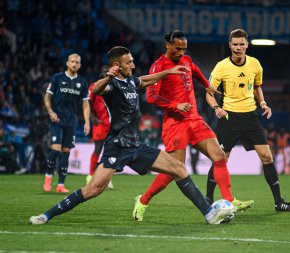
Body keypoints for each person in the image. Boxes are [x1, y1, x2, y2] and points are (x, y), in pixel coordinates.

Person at [29, 46, 235, 225]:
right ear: (117, 65)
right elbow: (95, 89)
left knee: (179, 169)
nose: (133, 65)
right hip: (116, 147)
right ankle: (47, 215)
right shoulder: (111, 85)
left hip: (135, 146)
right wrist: (109, 76)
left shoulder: (130, 82)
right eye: (129, 62)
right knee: (92, 189)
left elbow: (145, 80)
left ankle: (209, 215)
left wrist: (169, 71)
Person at [133, 30, 254, 222]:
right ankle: (144, 200)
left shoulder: (187, 60)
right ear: (168, 45)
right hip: (175, 123)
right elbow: (151, 96)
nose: (181, 53)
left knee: (219, 156)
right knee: (175, 170)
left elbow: (196, 71)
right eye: (178, 49)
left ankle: (230, 200)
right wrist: (176, 105)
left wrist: (207, 85)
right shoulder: (158, 66)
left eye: (184, 49)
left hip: (194, 119)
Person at [205, 29, 290, 212]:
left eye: (241, 44)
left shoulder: (255, 64)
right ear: (229, 45)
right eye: (235, 44)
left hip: (250, 117)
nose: (238, 47)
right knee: (221, 159)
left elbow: (256, 87)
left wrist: (263, 103)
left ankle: (279, 202)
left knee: (267, 155)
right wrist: (217, 108)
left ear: (247, 44)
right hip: (229, 117)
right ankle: (207, 198)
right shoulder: (221, 67)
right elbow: (209, 94)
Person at [43, 53, 90, 193]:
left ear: (80, 65)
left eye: (77, 62)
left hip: (71, 121)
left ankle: (61, 185)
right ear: (67, 63)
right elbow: (47, 96)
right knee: (55, 149)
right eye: (72, 61)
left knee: (66, 152)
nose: (74, 64)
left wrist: (87, 121)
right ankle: (48, 177)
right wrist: (50, 111)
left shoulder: (82, 82)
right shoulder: (57, 78)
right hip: (57, 119)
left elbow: (85, 103)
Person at [86, 66, 114, 189]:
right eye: (103, 72)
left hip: (112, 124)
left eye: (107, 72)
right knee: (98, 149)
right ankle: (91, 175)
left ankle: (106, 177)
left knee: (111, 151)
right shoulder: (94, 86)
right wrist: (92, 118)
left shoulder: (114, 86)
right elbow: (87, 102)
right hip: (100, 123)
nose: (105, 73)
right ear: (100, 73)